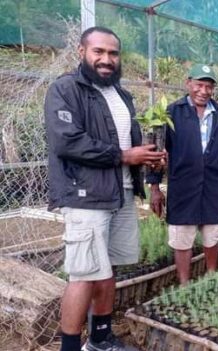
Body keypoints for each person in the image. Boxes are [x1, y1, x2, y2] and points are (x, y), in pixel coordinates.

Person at [44, 26, 165, 351]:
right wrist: (126, 155)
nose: (106, 59)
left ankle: (100, 339)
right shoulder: (66, 89)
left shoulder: (121, 95)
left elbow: (127, 142)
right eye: (99, 51)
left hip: (121, 192)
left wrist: (147, 158)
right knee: (82, 275)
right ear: (82, 52)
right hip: (86, 197)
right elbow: (67, 141)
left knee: (107, 268)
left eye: (113, 53)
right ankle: (70, 347)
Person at [147, 64, 218, 285]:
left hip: (213, 186)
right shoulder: (172, 112)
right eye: (199, 85)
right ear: (188, 84)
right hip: (183, 187)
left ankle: (210, 277)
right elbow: (155, 152)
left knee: (212, 234)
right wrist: (154, 188)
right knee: (182, 237)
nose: (203, 91)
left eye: (208, 86)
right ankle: (184, 283)